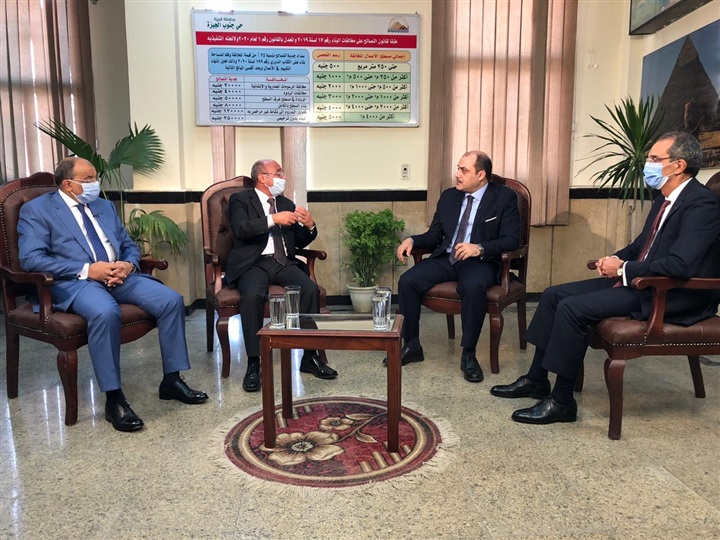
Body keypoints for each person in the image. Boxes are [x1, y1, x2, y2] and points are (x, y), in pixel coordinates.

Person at [491, 131, 720, 424]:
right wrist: (612, 259)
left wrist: (623, 269)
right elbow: (641, 246)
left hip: (673, 293)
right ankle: (537, 379)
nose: (647, 163)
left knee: (572, 309)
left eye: (654, 158)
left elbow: (680, 265)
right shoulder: (664, 199)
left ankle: (562, 402)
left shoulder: (702, 204)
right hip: (643, 282)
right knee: (553, 295)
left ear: (678, 165)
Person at [17, 157, 208, 432]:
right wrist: (87, 270)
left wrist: (128, 264)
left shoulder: (103, 206)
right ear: (68, 184)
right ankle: (114, 398)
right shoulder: (37, 210)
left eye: (95, 178)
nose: (95, 184)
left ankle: (172, 380)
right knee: (105, 312)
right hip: (75, 281)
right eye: (88, 180)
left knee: (171, 300)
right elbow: (32, 259)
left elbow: (128, 244)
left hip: (119, 276)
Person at [392, 150, 521, 382]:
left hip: (481, 261)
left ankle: (468, 354)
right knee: (408, 281)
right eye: (458, 168)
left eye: (464, 170)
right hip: (448, 258)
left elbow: (512, 240)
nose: (457, 174)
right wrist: (412, 240)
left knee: (472, 287)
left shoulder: (504, 198)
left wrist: (479, 248)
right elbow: (435, 235)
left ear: (481, 175)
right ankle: (412, 345)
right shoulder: (449, 196)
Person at [225, 159, 337, 392]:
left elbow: (300, 241)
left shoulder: (285, 203)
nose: (283, 177)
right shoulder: (240, 200)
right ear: (262, 177)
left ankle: (309, 357)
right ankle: (254, 362)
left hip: (283, 262)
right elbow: (240, 229)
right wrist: (273, 219)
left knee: (310, 289)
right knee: (252, 295)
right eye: (278, 173)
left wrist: (310, 226)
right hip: (253, 263)